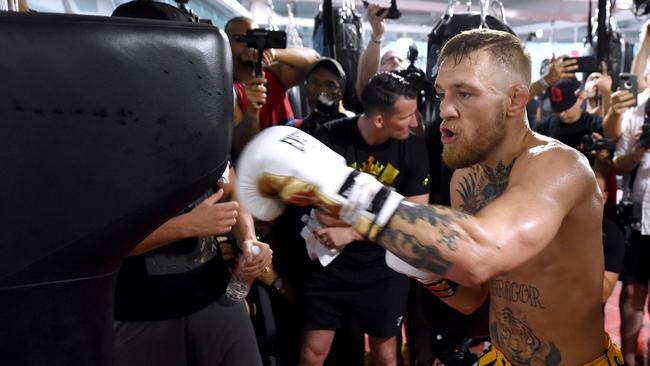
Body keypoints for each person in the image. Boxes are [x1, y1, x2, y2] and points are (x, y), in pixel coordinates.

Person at [236, 29, 624, 365]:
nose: (446, 109)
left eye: (465, 94)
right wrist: (428, 271)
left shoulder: (559, 166)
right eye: (441, 93)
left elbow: (483, 252)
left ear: (515, 99)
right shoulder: (465, 180)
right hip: (501, 356)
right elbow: (472, 296)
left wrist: (344, 188)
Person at [299, 72, 429, 366]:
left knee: (385, 354)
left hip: (383, 268)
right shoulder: (330, 137)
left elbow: (415, 218)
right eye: (406, 116)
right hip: (328, 265)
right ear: (380, 119)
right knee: (314, 352)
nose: (413, 122)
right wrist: (385, 215)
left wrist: (352, 232)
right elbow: (322, 212)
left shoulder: (414, 146)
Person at [113, 164, 273, 366]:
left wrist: (248, 237)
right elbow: (105, 242)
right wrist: (185, 226)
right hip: (143, 311)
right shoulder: (112, 147)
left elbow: (231, 189)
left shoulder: (205, 134)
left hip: (213, 292)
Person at [226, 16, 319, 159]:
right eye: (240, 39)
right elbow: (243, 149)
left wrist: (275, 53)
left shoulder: (273, 72)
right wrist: (252, 110)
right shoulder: (228, 90)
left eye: (253, 38)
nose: (248, 44)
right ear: (226, 44)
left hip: (293, 155)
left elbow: (315, 61)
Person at [612, 35, 650, 363]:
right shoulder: (637, 112)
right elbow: (618, 164)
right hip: (639, 218)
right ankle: (627, 357)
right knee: (632, 291)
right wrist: (639, 149)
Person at [355, 3, 405, 98]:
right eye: (389, 59)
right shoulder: (374, 99)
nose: (395, 61)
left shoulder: (417, 100)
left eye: (400, 60)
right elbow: (367, 82)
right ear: (379, 69)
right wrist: (377, 35)